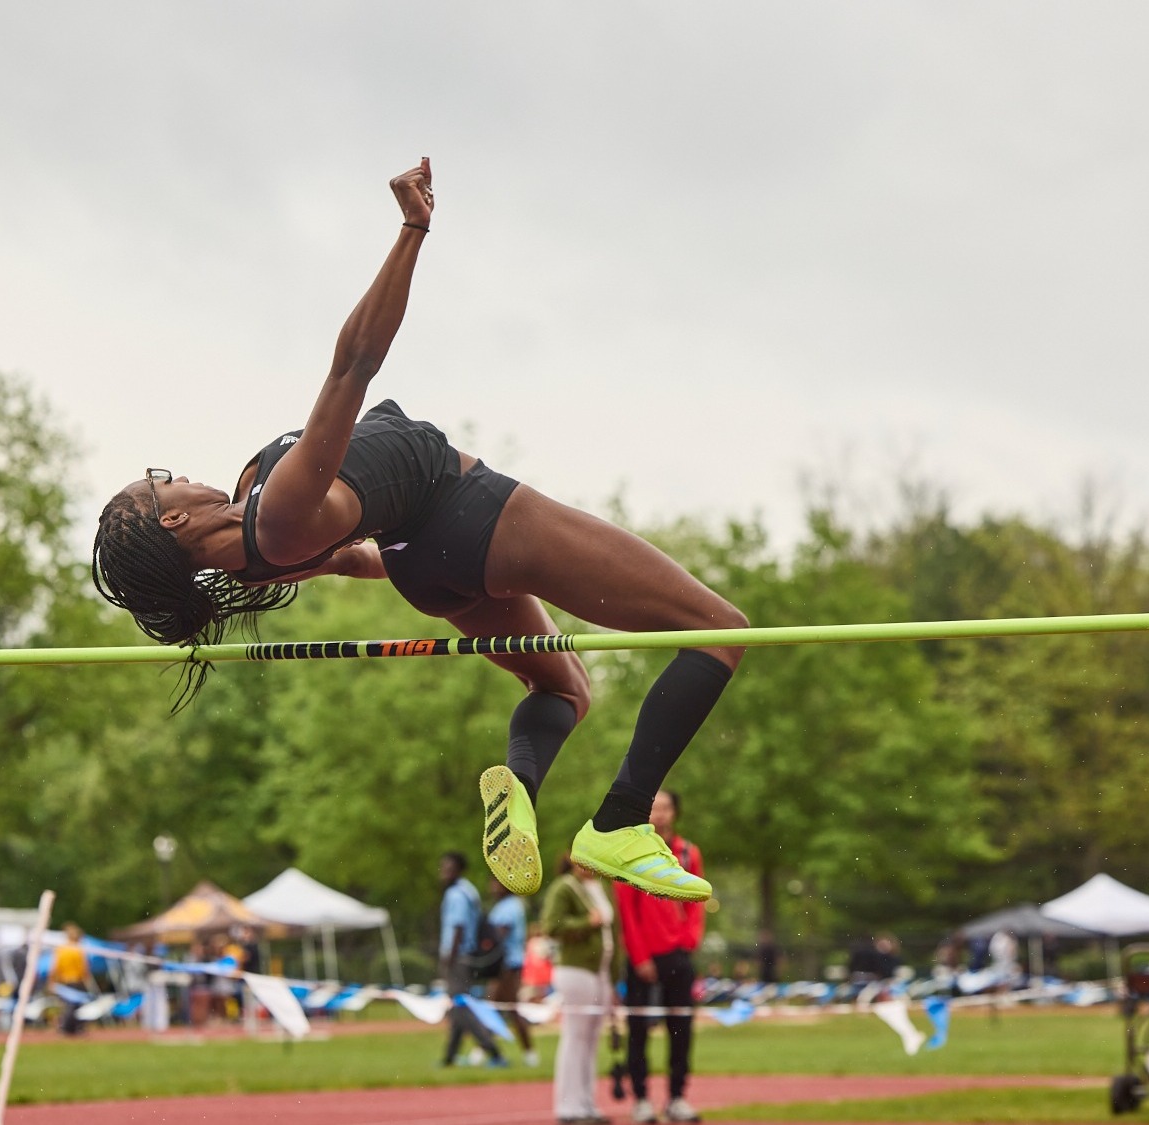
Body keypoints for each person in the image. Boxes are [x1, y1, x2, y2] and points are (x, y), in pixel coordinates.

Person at [89, 159, 744, 904]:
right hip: (475, 515)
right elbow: (354, 365)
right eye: (160, 481)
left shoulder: (254, 541)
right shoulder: (277, 511)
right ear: (171, 516)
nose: (174, 473)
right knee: (718, 628)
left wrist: (389, 561)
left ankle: (520, 793)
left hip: (423, 565)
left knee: (560, 684)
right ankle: (623, 820)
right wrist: (412, 228)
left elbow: (352, 560)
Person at [614, 790, 705, 1124]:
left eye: (666, 808)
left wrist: (689, 940)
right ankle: (640, 1099)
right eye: (654, 808)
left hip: (678, 955)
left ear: (675, 813)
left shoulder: (687, 852)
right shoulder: (629, 854)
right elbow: (627, 911)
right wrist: (640, 957)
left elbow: (697, 899)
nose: (660, 814)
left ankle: (677, 1097)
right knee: (637, 1030)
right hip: (644, 958)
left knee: (681, 1029)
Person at [541, 854, 617, 1125]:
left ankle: (586, 1103)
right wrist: (587, 923)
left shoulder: (599, 887)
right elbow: (551, 925)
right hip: (576, 969)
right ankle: (568, 1107)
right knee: (575, 1036)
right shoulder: (565, 887)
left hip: (600, 971)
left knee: (591, 1039)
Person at [436, 852, 504, 1068]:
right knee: (458, 1007)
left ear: (458, 869)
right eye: (443, 867)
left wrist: (449, 958)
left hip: (458, 957)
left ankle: (493, 1051)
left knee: (462, 1007)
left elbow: (458, 927)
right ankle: (450, 1057)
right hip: (466, 955)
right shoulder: (468, 890)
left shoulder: (456, 894)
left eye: (448, 868)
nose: (444, 872)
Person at [487, 879, 539, 1066]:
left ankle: (529, 1053)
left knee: (507, 1009)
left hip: (508, 965)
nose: (492, 887)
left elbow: (499, 935)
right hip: (503, 965)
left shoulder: (510, 906)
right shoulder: (505, 905)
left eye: (496, 884)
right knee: (495, 1008)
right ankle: (487, 1049)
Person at [50, 924, 93, 1036]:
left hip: (64, 981)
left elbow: (55, 967)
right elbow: (84, 968)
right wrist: (87, 980)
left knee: (67, 1005)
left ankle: (67, 1027)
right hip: (76, 981)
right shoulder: (78, 949)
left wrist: (52, 980)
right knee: (75, 1006)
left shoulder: (61, 949)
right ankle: (71, 1028)